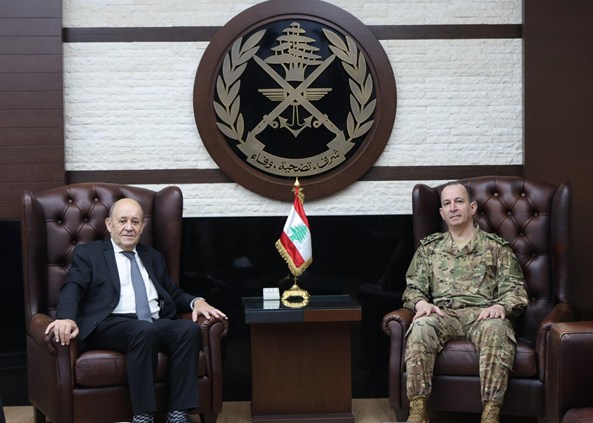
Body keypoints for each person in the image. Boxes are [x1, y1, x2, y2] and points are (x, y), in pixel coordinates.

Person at [45, 198, 227, 423]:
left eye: (135, 221)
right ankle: (143, 415)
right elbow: (73, 287)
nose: (129, 227)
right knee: (143, 331)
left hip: (152, 321)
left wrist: (197, 302)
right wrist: (66, 317)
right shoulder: (90, 254)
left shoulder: (152, 256)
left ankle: (178, 413)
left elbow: (171, 293)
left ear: (142, 226)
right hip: (110, 323)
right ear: (109, 224)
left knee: (187, 331)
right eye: (122, 221)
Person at [402, 182, 528, 423]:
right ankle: (418, 410)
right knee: (420, 325)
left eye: (459, 201)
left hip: (483, 316)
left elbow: (515, 291)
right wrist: (420, 304)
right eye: (447, 203)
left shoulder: (496, 248)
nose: (453, 208)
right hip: (444, 315)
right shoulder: (429, 249)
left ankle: (491, 413)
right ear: (442, 213)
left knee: (497, 327)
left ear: (472, 207)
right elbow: (413, 288)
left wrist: (500, 306)